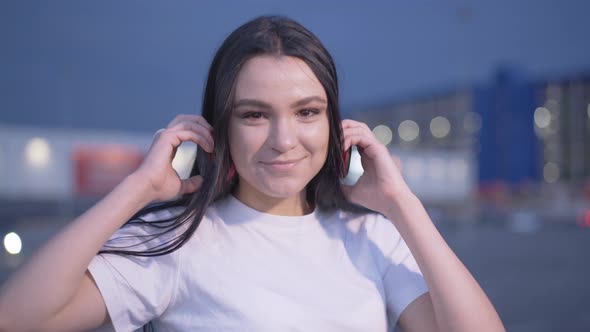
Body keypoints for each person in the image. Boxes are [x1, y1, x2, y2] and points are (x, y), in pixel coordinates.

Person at [0, 15, 505, 332]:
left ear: (334, 125)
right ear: (220, 125)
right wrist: (138, 189)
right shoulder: (176, 241)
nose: (284, 140)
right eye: (254, 114)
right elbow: (17, 318)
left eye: (307, 112)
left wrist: (402, 204)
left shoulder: (372, 236)